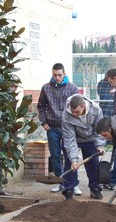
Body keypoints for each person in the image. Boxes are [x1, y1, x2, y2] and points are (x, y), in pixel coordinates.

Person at [37, 63, 82, 196]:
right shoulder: (46, 88)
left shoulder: (72, 88)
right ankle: (60, 181)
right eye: (54, 75)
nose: (57, 77)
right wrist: (43, 121)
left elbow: (79, 105)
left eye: (59, 75)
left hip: (68, 128)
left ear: (64, 74)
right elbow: (41, 106)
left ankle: (74, 184)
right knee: (55, 156)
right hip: (52, 128)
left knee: (70, 156)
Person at [61, 94, 105, 200]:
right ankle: (69, 190)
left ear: (84, 106)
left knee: (93, 164)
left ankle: (95, 189)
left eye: (77, 112)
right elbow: (69, 138)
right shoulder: (67, 115)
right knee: (70, 163)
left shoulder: (95, 109)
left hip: (90, 138)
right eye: (73, 112)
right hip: (75, 138)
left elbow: (99, 128)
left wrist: (99, 145)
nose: (74, 114)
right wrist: (74, 159)